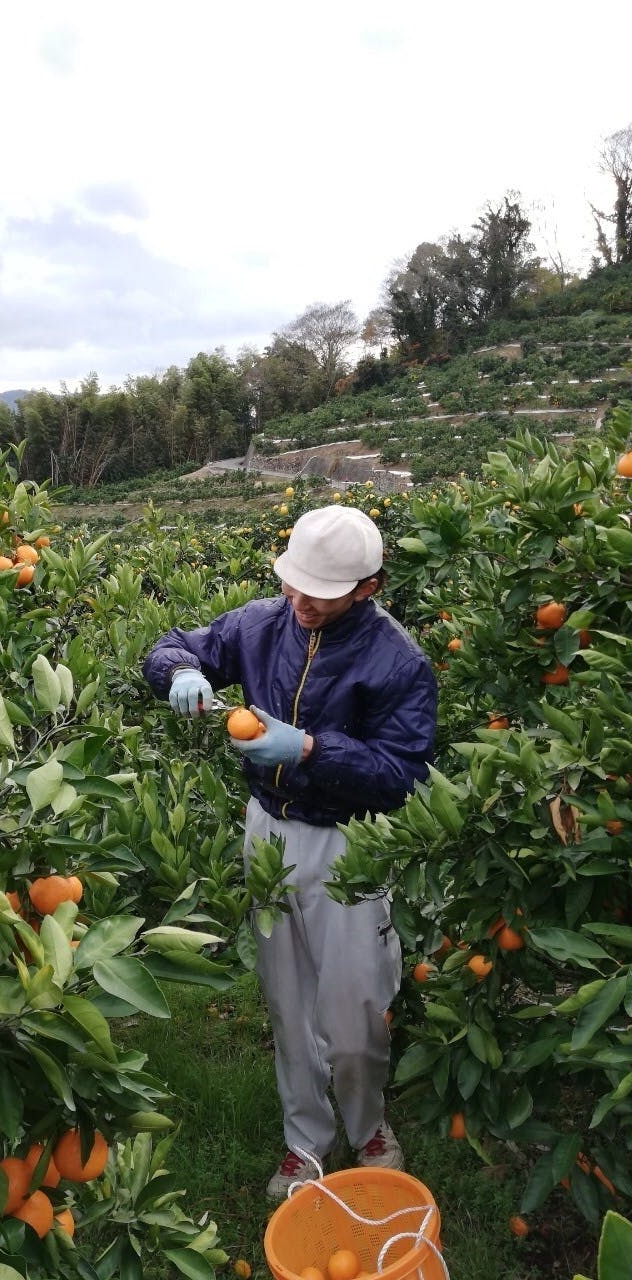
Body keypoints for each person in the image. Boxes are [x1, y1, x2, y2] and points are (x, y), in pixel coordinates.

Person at [142, 504, 437, 1199]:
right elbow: (173, 645)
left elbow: (402, 776)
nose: (301, 602)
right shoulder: (261, 623)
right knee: (287, 998)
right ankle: (305, 1142)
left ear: (368, 587)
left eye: (321, 592)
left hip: (350, 844)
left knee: (357, 1006)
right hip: (268, 829)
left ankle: (369, 1126)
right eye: (294, 585)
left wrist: (308, 748)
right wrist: (180, 670)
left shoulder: (398, 661)